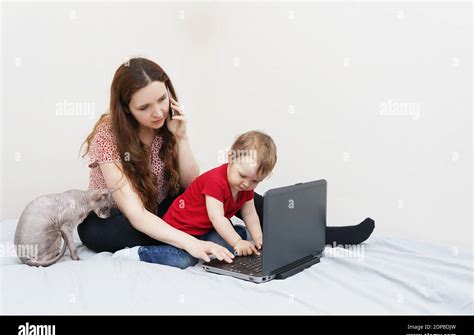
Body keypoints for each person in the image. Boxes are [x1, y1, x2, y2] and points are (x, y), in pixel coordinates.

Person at [78, 57, 375, 269]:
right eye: (144, 107)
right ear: (126, 110)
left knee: (236, 188)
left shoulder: (166, 123)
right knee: (112, 232)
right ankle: (173, 241)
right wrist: (191, 244)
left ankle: (319, 233)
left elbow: (193, 186)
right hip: (122, 218)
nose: (158, 112)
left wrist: (181, 138)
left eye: (162, 99)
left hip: (164, 208)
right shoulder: (109, 135)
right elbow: (136, 214)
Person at [114, 130, 276, 268]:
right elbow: (217, 218)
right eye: (242, 175)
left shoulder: (245, 187)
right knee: (185, 260)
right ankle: (141, 253)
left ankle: (227, 240)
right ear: (231, 158)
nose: (247, 183)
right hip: (182, 229)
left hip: (205, 229)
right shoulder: (215, 181)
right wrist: (237, 242)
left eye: (255, 181)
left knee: (238, 238)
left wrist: (259, 239)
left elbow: (250, 214)